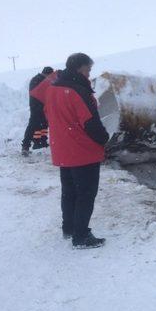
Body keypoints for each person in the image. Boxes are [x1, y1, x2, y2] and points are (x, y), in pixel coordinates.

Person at [45, 53, 109, 249]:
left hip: (63, 150)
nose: (89, 74)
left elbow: (49, 114)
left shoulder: (53, 88)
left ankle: (69, 228)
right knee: (86, 194)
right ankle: (81, 236)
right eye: (88, 70)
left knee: (70, 192)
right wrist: (104, 138)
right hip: (82, 152)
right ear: (79, 68)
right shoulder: (78, 90)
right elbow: (90, 122)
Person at [21, 67, 55, 156]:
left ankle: (41, 142)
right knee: (33, 125)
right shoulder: (37, 79)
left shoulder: (41, 79)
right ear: (47, 74)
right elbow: (39, 93)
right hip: (36, 107)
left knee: (43, 124)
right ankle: (25, 146)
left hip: (43, 106)